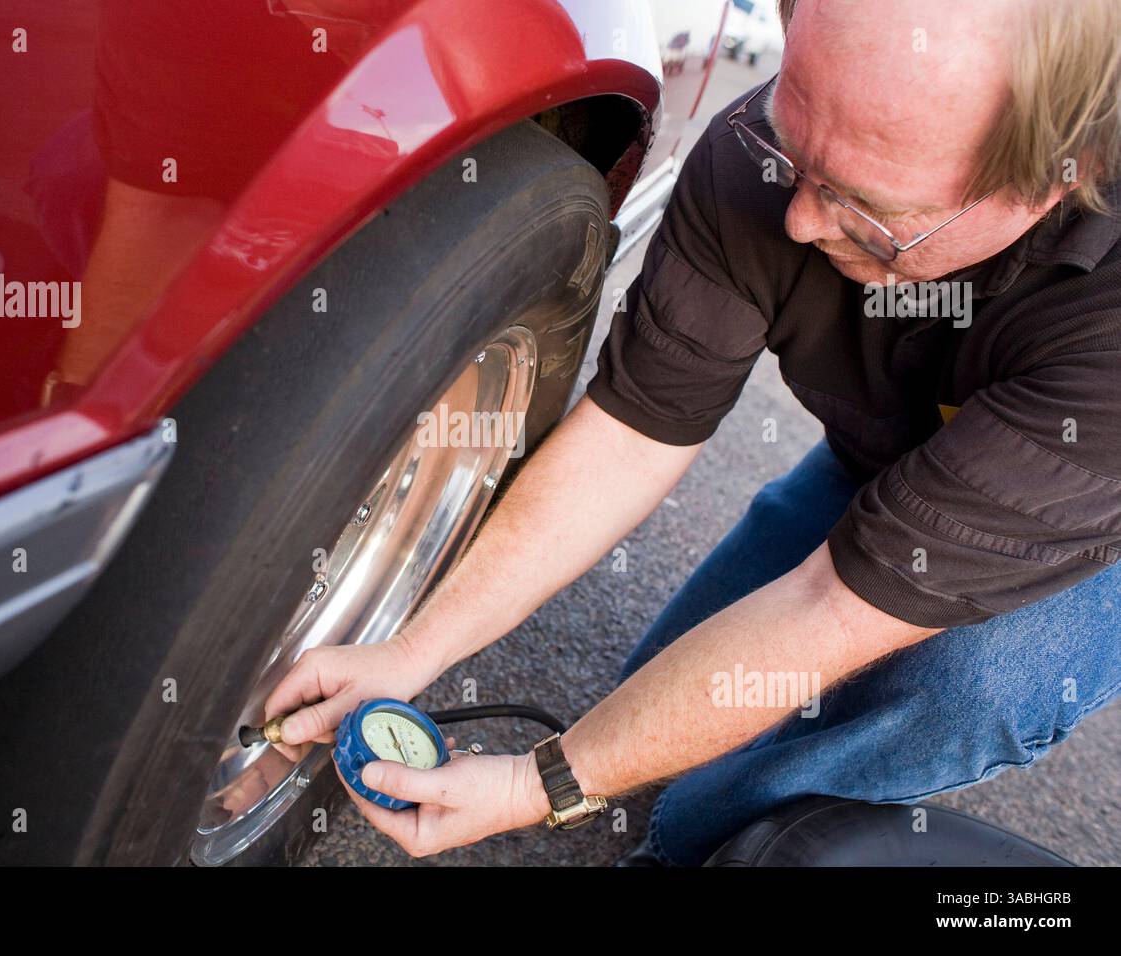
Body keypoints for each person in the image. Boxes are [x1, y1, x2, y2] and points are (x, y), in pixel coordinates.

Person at [266, 0, 1121, 864]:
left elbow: (830, 610)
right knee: (656, 709)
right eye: (797, 149)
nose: (800, 222)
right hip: (891, 446)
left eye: (862, 204)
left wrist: (544, 785)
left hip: (1092, 533)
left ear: (1055, 177)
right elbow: (634, 431)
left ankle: (684, 850)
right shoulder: (760, 160)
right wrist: (412, 650)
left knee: (962, 685)